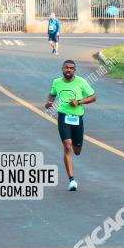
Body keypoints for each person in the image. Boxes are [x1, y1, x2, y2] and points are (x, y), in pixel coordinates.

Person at [45, 60, 96, 191]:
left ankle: (76, 143)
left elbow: (93, 97)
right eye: (66, 68)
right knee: (67, 146)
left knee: (77, 151)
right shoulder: (56, 82)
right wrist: (49, 103)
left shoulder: (81, 82)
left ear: (75, 70)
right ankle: (72, 180)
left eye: (71, 68)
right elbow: (51, 95)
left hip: (77, 118)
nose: (68, 70)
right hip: (63, 117)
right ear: (62, 69)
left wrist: (79, 101)